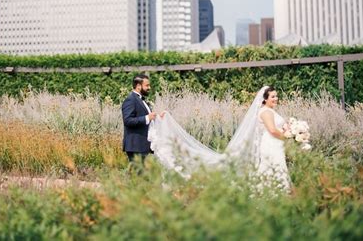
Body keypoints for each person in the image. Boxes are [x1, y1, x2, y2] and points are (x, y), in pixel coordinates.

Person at [148, 86, 290, 190]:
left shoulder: (268, 111)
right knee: (274, 170)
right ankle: (274, 194)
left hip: (273, 145)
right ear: (265, 99)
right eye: (273, 97)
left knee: (272, 171)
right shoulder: (266, 112)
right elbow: (272, 130)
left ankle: (272, 193)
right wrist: (288, 136)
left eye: (276, 96)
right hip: (271, 144)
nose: (276, 99)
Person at [121, 74, 158, 163]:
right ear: (138, 86)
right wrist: (147, 118)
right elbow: (128, 121)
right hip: (135, 146)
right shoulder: (130, 100)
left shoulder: (142, 100)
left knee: (141, 175)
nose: (149, 87)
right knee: (137, 174)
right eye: (147, 85)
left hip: (142, 145)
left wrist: (157, 117)